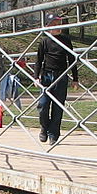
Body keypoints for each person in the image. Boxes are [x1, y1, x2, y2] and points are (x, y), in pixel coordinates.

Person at [34, 13, 76, 145]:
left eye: (59, 24)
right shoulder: (44, 41)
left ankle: (54, 134)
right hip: (47, 75)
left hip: (61, 76)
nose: (57, 27)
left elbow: (72, 59)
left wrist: (75, 78)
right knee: (43, 104)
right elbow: (39, 60)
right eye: (54, 24)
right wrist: (36, 77)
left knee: (58, 106)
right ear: (48, 27)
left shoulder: (66, 40)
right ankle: (44, 128)